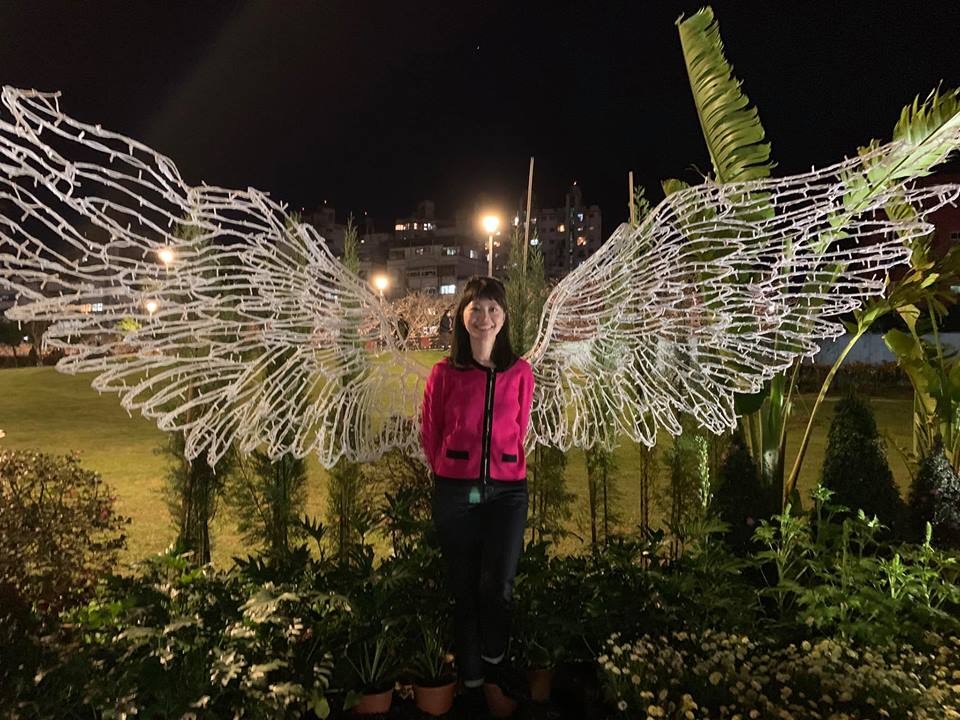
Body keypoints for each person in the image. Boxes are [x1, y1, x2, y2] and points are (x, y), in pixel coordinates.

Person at [420, 276, 534, 707]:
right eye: (476, 309)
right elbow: (430, 431)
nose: (484, 317)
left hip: (507, 494)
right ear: (462, 316)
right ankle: (470, 682)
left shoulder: (520, 372)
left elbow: (520, 427)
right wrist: (450, 468)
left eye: (493, 309)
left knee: (497, 584)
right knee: (463, 589)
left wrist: (502, 464)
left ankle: (494, 661)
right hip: (457, 494)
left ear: (503, 318)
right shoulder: (444, 373)